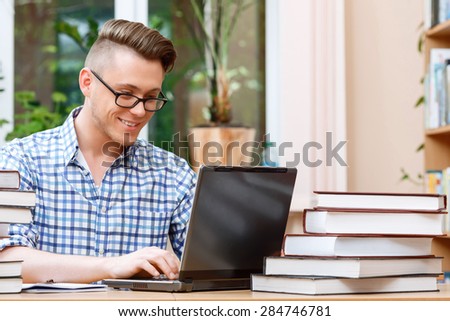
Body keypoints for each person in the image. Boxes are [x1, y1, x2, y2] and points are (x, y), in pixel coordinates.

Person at [0, 19, 196, 283]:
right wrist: (111, 266)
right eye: (126, 93)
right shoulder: (21, 160)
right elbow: (8, 258)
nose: (139, 111)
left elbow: (211, 263)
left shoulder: (173, 175)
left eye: (151, 98)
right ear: (87, 82)